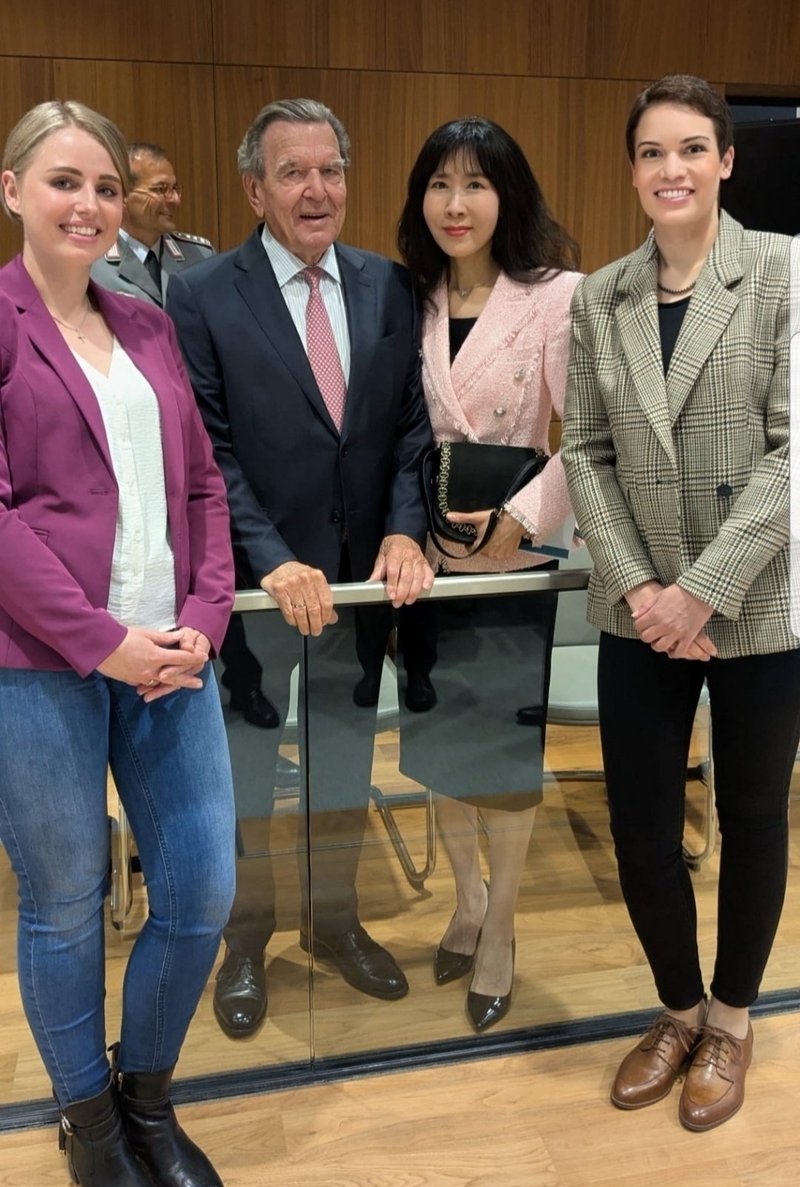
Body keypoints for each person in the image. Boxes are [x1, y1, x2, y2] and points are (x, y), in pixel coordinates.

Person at [0, 100, 236, 1187]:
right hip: (38, 665)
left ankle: (147, 1098)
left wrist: (206, 614)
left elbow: (200, 484)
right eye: (62, 181)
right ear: (13, 192)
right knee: (62, 903)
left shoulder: (147, 324)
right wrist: (103, 644)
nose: (87, 203)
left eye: (102, 185)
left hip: (173, 660)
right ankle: (87, 1120)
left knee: (198, 893)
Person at [561, 74, 800, 1131]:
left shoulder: (785, 274)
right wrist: (645, 589)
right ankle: (672, 1009)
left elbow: (794, 455)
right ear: (631, 169)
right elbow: (584, 448)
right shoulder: (598, 294)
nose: (672, 170)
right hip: (635, 607)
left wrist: (700, 593)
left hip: (751, 605)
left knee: (750, 819)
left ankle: (732, 1021)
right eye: (652, 152)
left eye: (692, 149)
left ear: (725, 162)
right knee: (642, 826)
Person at [166, 98, 433, 1037]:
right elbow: (208, 450)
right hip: (251, 591)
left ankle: (333, 919)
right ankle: (245, 938)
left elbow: (409, 431)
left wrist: (405, 531)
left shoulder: (390, 286)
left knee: (346, 761)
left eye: (330, 170)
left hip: (363, 586)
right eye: (292, 172)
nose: (316, 190)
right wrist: (271, 561)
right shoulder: (200, 294)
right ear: (254, 187)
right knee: (243, 771)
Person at [396, 117, 581, 1031]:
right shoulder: (409, 295)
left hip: (510, 563)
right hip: (424, 562)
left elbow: (587, 440)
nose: (455, 204)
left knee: (503, 761)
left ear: (507, 194)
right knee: (436, 750)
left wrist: (521, 521)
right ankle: (464, 899)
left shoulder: (556, 297)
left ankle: (501, 928)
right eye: (439, 183)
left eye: (475, 183)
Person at [91, 141, 282, 736]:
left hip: (206, 441)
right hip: (136, 450)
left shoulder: (194, 256)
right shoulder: (90, 264)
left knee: (220, 569)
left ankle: (242, 684)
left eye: (176, 186)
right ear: (122, 192)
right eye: (159, 188)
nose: (174, 198)